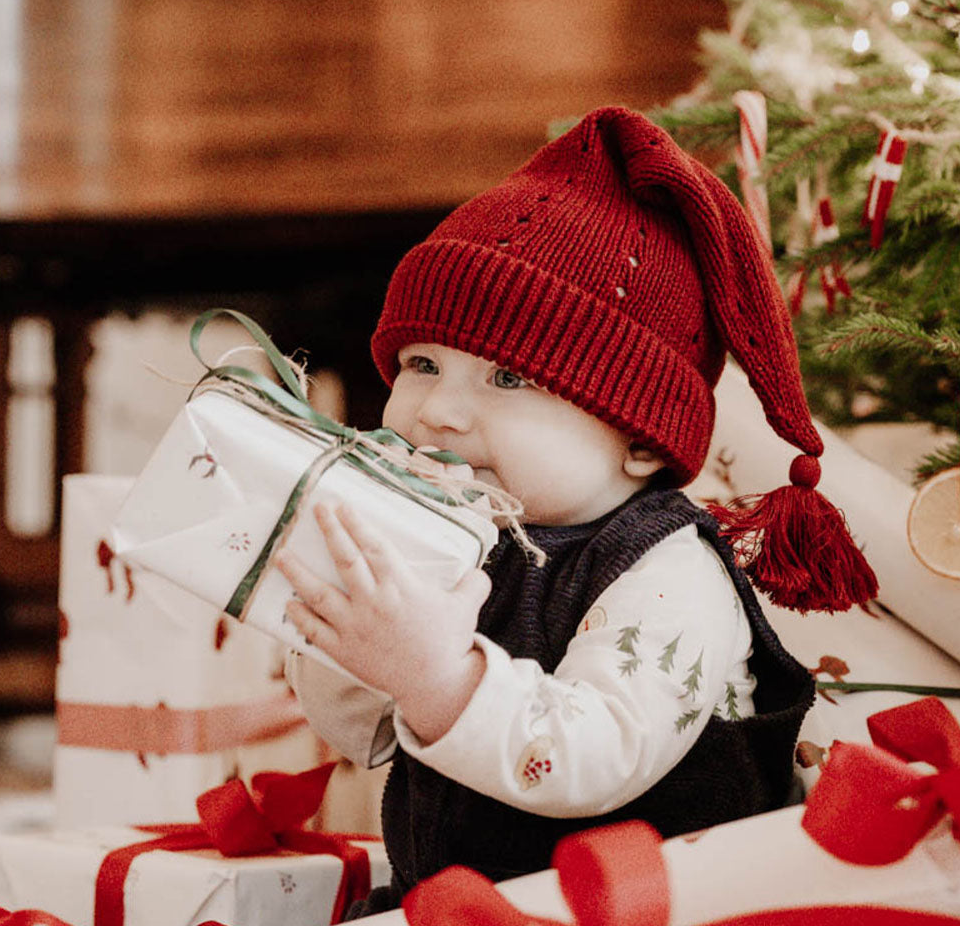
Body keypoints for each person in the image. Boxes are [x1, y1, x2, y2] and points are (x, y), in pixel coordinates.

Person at [274, 106, 877, 915]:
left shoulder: (666, 571)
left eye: (509, 379)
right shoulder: (465, 531)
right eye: (421, 363)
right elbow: (362, 730)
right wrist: (350, 629)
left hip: (651, 907)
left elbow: (591, 756)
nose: (437, 411)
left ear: (639, 440)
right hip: (465, 901)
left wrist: (439, 677)